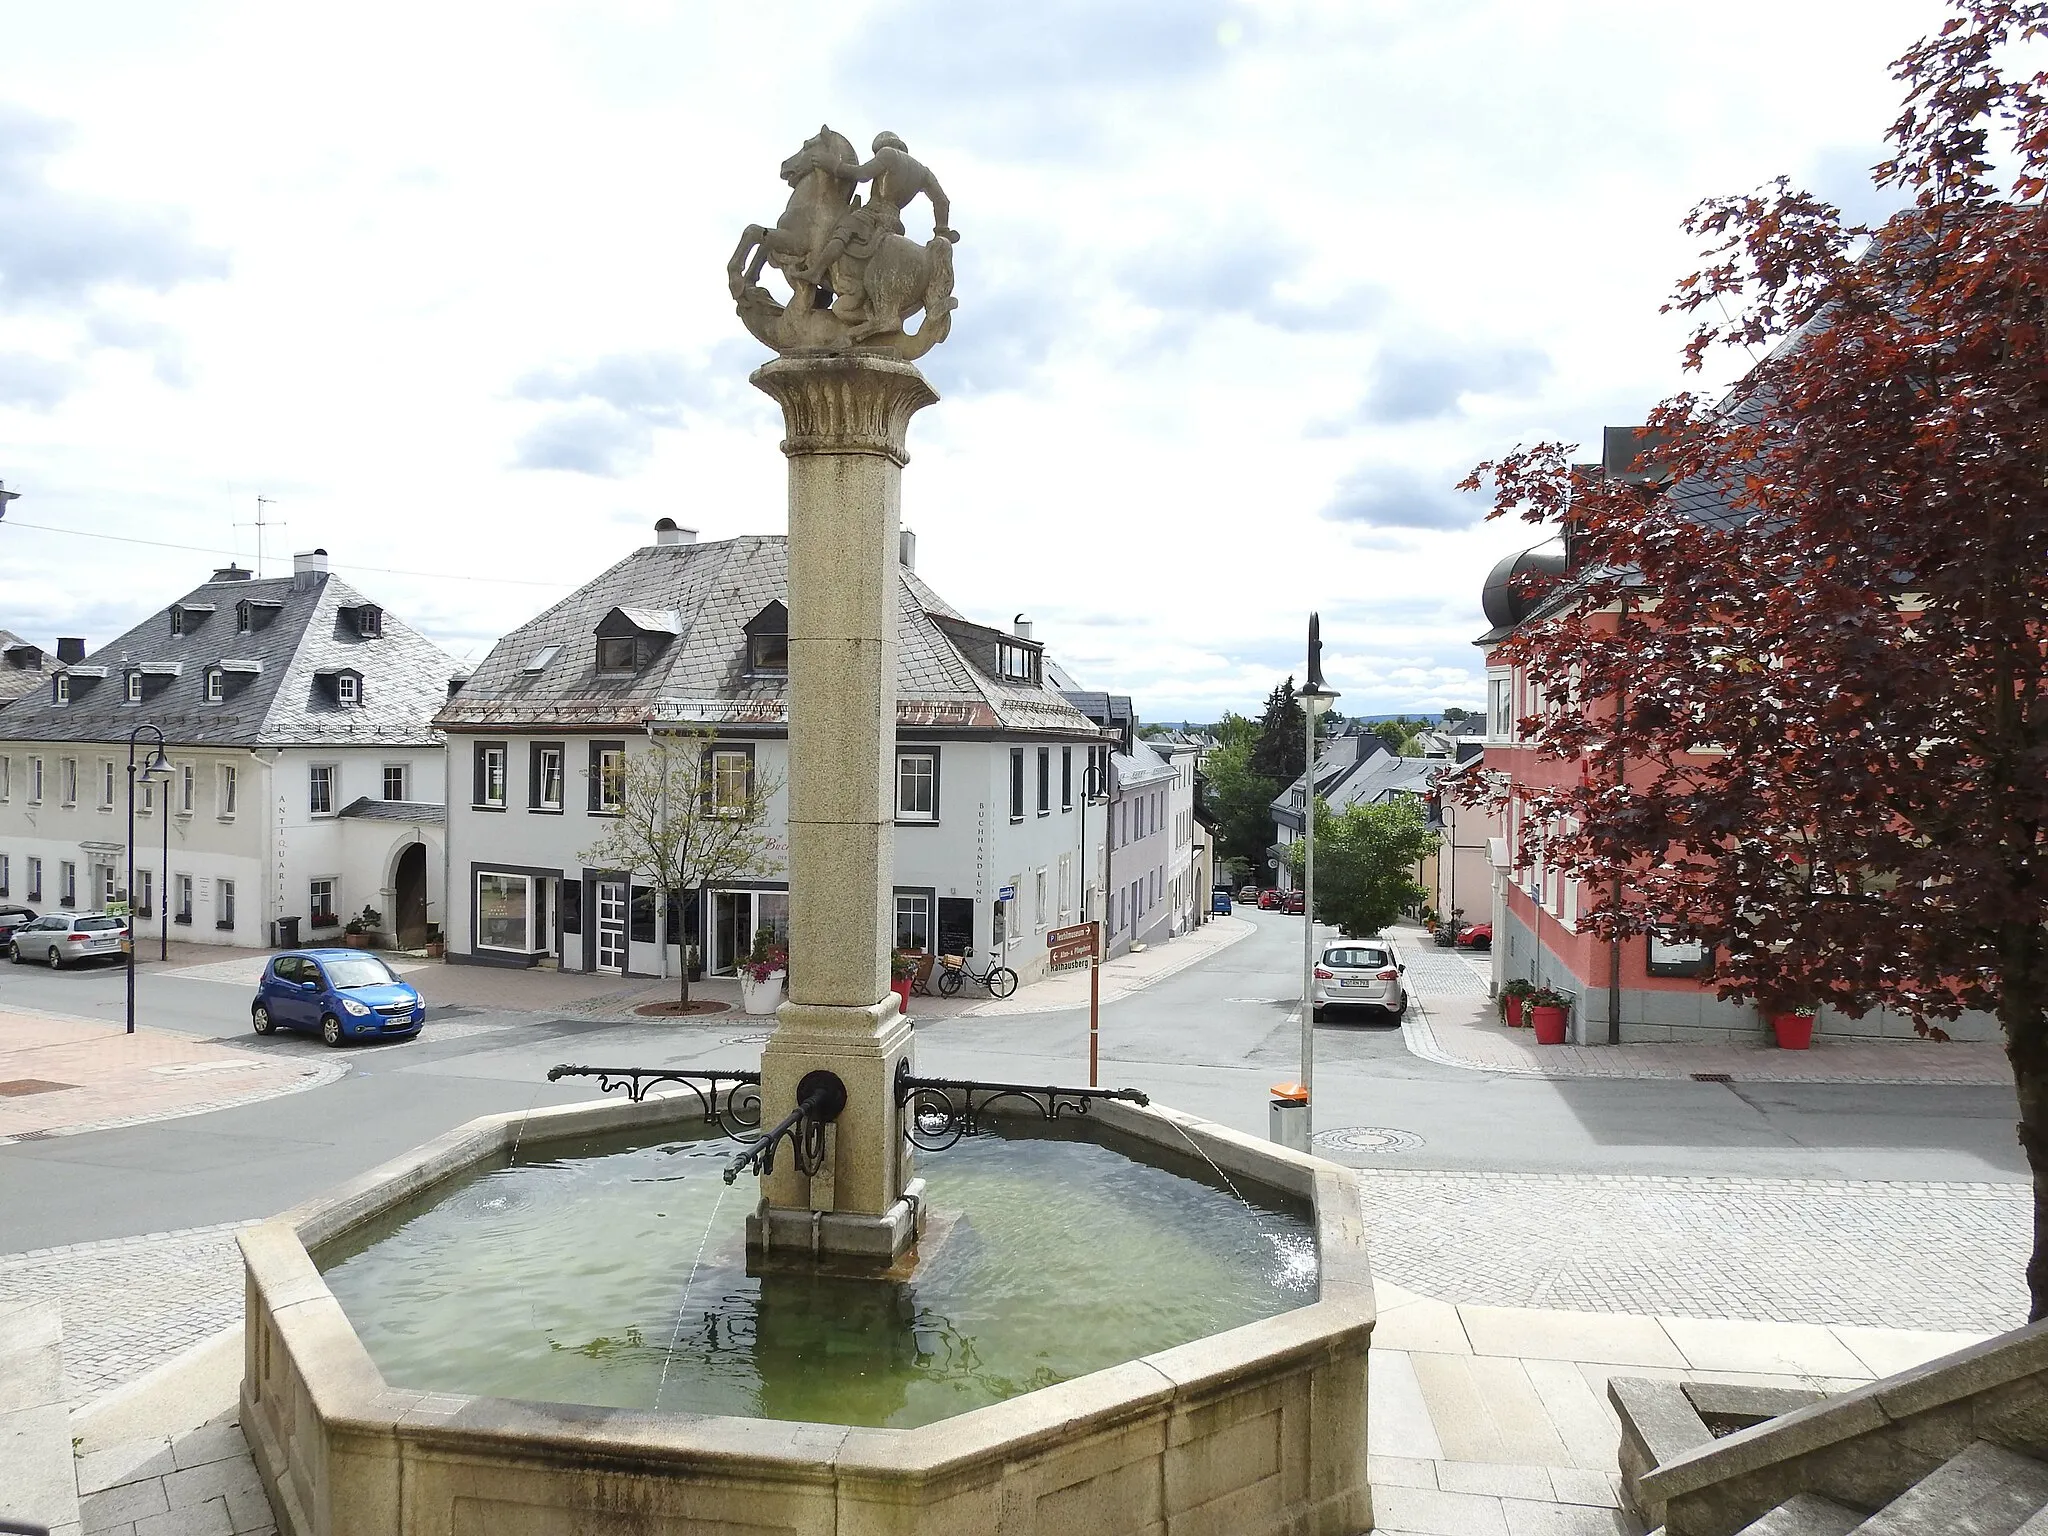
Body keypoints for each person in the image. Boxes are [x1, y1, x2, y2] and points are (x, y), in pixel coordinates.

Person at [795, 132, 957, 324]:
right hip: (894, 223)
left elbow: (861, 174)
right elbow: (942, 201)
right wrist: (941, 230)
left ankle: (816, 272)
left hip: (872, 215)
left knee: (840, 233)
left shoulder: (888, 154)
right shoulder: (923, 171)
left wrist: (832, 165)